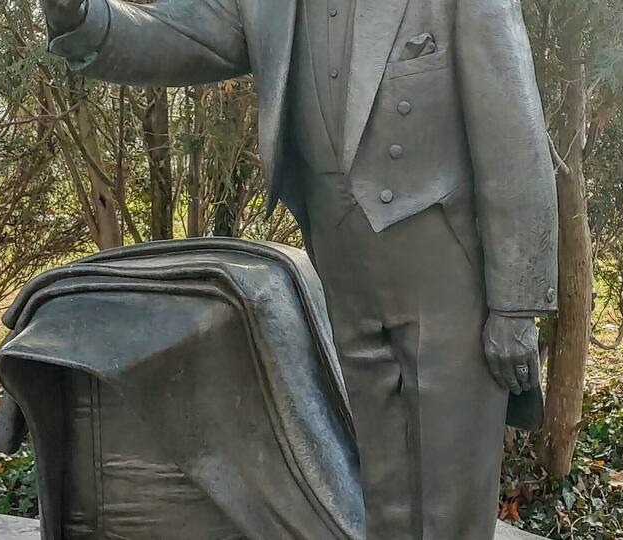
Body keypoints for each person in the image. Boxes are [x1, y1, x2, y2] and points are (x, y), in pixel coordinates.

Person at [38, 0, 558, 537]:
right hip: (347, 274)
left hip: (449, 277)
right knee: (384, 491)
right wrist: (80, 16)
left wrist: (516, 306)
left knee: (451, 501)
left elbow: (513, 134)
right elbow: (181, 33)